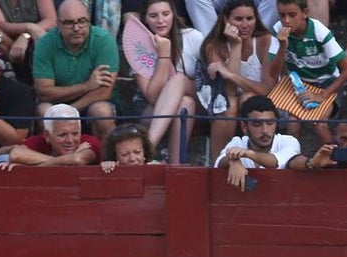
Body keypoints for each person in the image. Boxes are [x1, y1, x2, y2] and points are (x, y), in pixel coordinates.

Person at [268, 0, 347, 144]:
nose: (286, 21)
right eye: (282, 15)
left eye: (292, 15)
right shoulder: (278, 30)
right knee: (292, 123)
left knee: (320, 124)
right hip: (299, 83)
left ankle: (333, 162)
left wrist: (322, 95)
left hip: (327, 83)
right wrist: (282, 47)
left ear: (305, 13)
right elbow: (273, 72)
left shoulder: (319, 31)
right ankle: (291, 159)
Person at [33, 0, 118, 142]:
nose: (77, 28)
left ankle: (107, 161)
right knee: (44, 112)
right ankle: (50, 162)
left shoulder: (103, 40)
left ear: (89, 21)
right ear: (58, 24)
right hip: (56, 104)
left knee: (102, 112)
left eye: (82, 21)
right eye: (69, 23)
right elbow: (44, 92)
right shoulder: (45, 43)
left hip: (92, 103)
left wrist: (68, 112)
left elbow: (104, 92)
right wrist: (86, 86)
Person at [129, 0, 202, 164]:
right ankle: (176, 165)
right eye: (153, 16)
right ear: (145, 19)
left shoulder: (193, 37)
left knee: (180, 80)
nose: (160, 20)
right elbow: (153, 98)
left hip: (197, 95)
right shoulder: (139, 47)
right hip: (154, 109)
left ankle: (149, 145)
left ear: (174, 15)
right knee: (185, 104)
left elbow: (206, 85)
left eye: (166, 14)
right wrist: (164, 56)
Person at [200, 0, 275, 154]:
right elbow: (229, 91)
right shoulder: (213, 45)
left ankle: (259, 160)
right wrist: (236, 45)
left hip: (263, 101)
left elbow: (267, 89)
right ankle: (218, 162)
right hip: (224, 103)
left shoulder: (265, 40)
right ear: (226, 20)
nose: (245, 25)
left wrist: (231, 75)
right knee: (229, 106)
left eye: (250, 18)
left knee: (248, 98)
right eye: (238, 19)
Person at [214, 94, 300, 189]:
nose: (265, 130)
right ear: (244, 127)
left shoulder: (288, 142)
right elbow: (219, 161)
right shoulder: (238, 142)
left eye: (270, 123)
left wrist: (248, 154)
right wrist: (233, 161)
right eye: (257, 125)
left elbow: (277, 162)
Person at [0, 102, 102, 169]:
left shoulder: (89, 142)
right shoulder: (39, 140)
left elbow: (78, 160)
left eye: (75, 133)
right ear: (47, 135)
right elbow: (15, 154)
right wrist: (62, 161)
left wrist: (30, 168)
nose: (70, 140)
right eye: (62, 135)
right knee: (2, 159)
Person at [0, 0, 56, 83]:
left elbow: (51, 20)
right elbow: (1, 25)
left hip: (38, 41)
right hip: (7, 43)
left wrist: (26, 35)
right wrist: (29, 27)